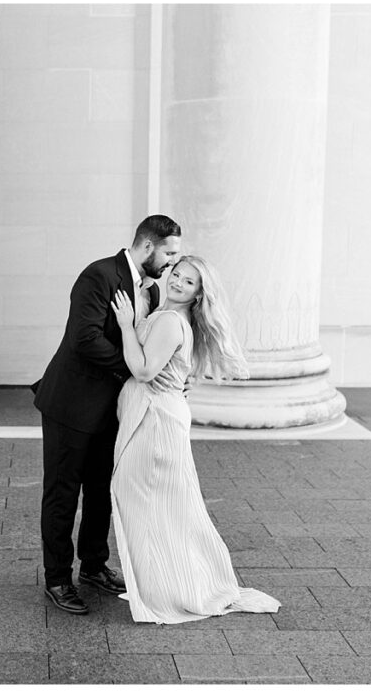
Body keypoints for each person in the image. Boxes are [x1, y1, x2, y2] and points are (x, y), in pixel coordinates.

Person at [108, 255, 281, 623]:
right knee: (161, 504)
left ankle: (168, 588)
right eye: (178, 274)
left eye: (189, 282)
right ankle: (163, 583)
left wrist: (126, 326)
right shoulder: (167, 315)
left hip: (154, 422)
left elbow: (143, 369)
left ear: (199, 294)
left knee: (146, 500)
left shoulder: (171, 321)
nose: (178, 282)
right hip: (156, 416)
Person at [33, 214, 182, 615]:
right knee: (63, 493)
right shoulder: (98, 275)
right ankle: (58, 579)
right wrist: (133, 370)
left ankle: (94, 567)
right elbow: (85, 339)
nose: (172, 262)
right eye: (169, 253)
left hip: (113, 410)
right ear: (148, 246)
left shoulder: (150, 290)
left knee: (101, 491)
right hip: (72, 404)